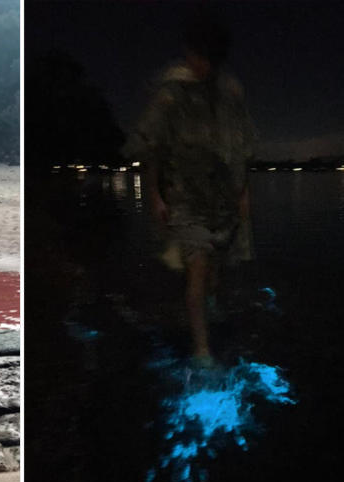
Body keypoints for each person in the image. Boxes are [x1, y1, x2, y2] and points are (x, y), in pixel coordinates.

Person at [126, 12, 256, 366]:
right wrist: (154, 194)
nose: (200, 65)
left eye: (208, 58)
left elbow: (241, 146)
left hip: (223, 197)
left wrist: (243, 194)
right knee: (197, 268)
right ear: (189, 52)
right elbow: (151, 144)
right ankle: (201, 350)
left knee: (215, 267)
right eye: (196, 56)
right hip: (185, 195)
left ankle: (210, 304)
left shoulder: (229, 90)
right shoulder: (171, 90)